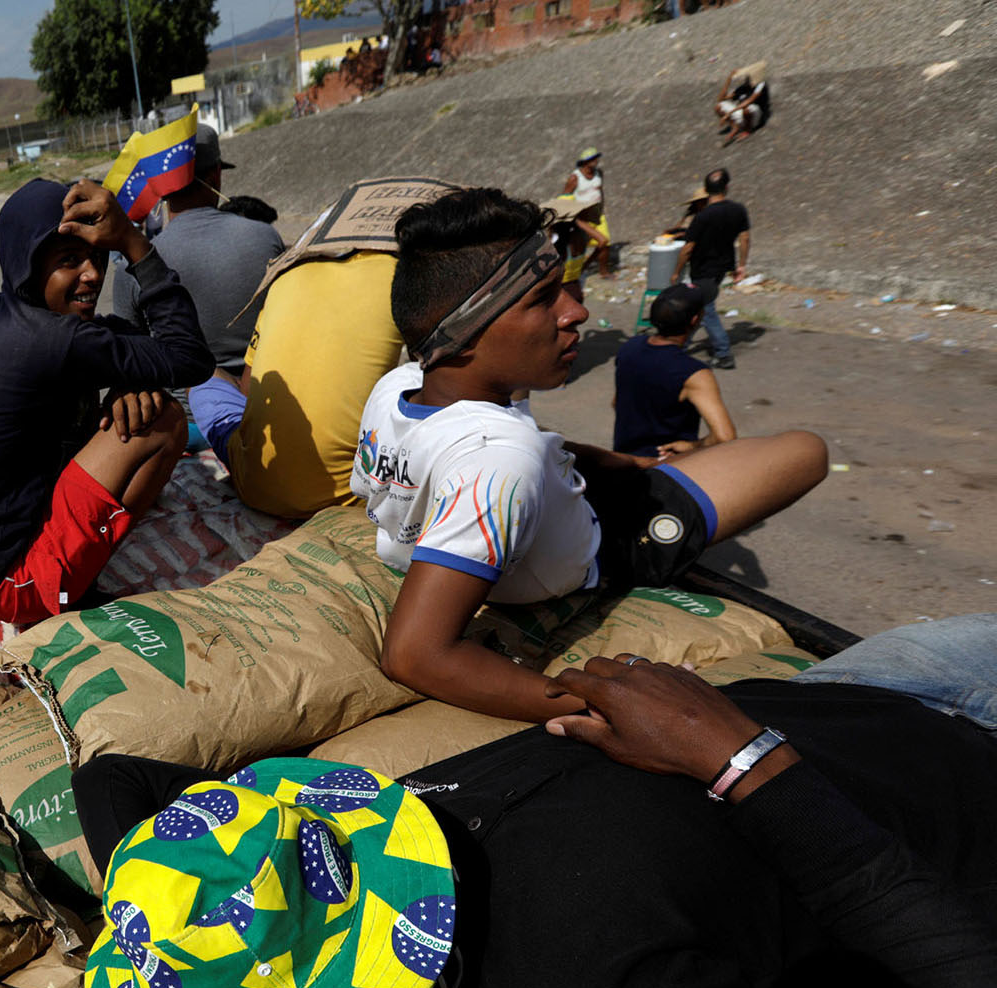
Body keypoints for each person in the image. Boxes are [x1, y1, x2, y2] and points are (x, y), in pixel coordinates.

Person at [75, 634, 997, 988]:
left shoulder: (269, 873)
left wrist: (178, 901)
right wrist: (739, 759)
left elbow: (113, 778)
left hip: (854, 686)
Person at [353, 187, 825, 723]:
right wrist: (612, 709)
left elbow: (504, 448)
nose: (577, 311)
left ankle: (649, 467)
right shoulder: (500, 459)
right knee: (805, 450)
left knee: (648, 464)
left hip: (560, 499)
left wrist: (629, 465)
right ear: (465, 334)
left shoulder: (400, 385)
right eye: (543, 298)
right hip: (612, 541)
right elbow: (415, 655)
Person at [0, 179, 210, 623]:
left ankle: (77, 549)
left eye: (97, 255)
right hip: (9, 586)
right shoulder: (52, 341)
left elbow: (123, 339)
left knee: (138, 397)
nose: (92, 274)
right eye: (68, 261)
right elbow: (191, 357)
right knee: (164, 420)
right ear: (30, 269)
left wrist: (130, 379)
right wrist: (134, 241)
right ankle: (70, 584)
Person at [198, 177, 456, 519]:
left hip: (255, 486)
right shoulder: (411, 282)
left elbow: (247, 390)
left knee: (205, 383)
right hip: (347, 498)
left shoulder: (286, 276)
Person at [113, 124, 286, 446]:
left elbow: (129, 365)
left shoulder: (130, 267)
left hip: (183, 432)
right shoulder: (265, 238)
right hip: (262, 415)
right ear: (216, 174)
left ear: (160, 187)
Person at [613, 284, 737, 460]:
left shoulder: (629, 348)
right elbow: (725, 437)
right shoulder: (694, 373)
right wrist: (692, 446)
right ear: (695, 320)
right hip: (668, 468)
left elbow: (617, 402)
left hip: (623, 460)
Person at [670, 168, 750, 370]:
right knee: (698, 308)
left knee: (706, 309)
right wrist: (741, 265)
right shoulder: (738, 210)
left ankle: (724, 354)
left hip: (702, 269)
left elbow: (688, 249)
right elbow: (745, 238)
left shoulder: (703, 216)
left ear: (706, 190)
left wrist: (676, 271)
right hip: (722, 268)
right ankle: (681, 345)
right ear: (727, 187)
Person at [546, 191, 607, 304]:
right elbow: (603, 240)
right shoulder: (580, 239)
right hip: (576, 288)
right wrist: (585, 265)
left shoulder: (559, 246)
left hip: (560, 292)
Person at [559, 147, 610, 275]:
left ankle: (601, 271)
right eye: (591, 159)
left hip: (597, 215)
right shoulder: (575, 178)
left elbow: (599, 191)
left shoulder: (599, 174)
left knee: (605, 243)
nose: (595, 161)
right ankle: (575, 271)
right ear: (584, 161)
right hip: (582, 218)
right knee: (580, 246)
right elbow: (564, 197)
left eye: (596, 158)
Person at [716, 61, 770, 145]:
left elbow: (750, 101)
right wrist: (728, 80)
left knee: (746, 108)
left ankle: (748, 130)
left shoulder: (761, 86)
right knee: (718, 107)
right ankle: (735, 127)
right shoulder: (743, 88)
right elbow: (721, 99)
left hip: (756, 117)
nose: (746, 79)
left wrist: (729, 113)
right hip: (743, 115)